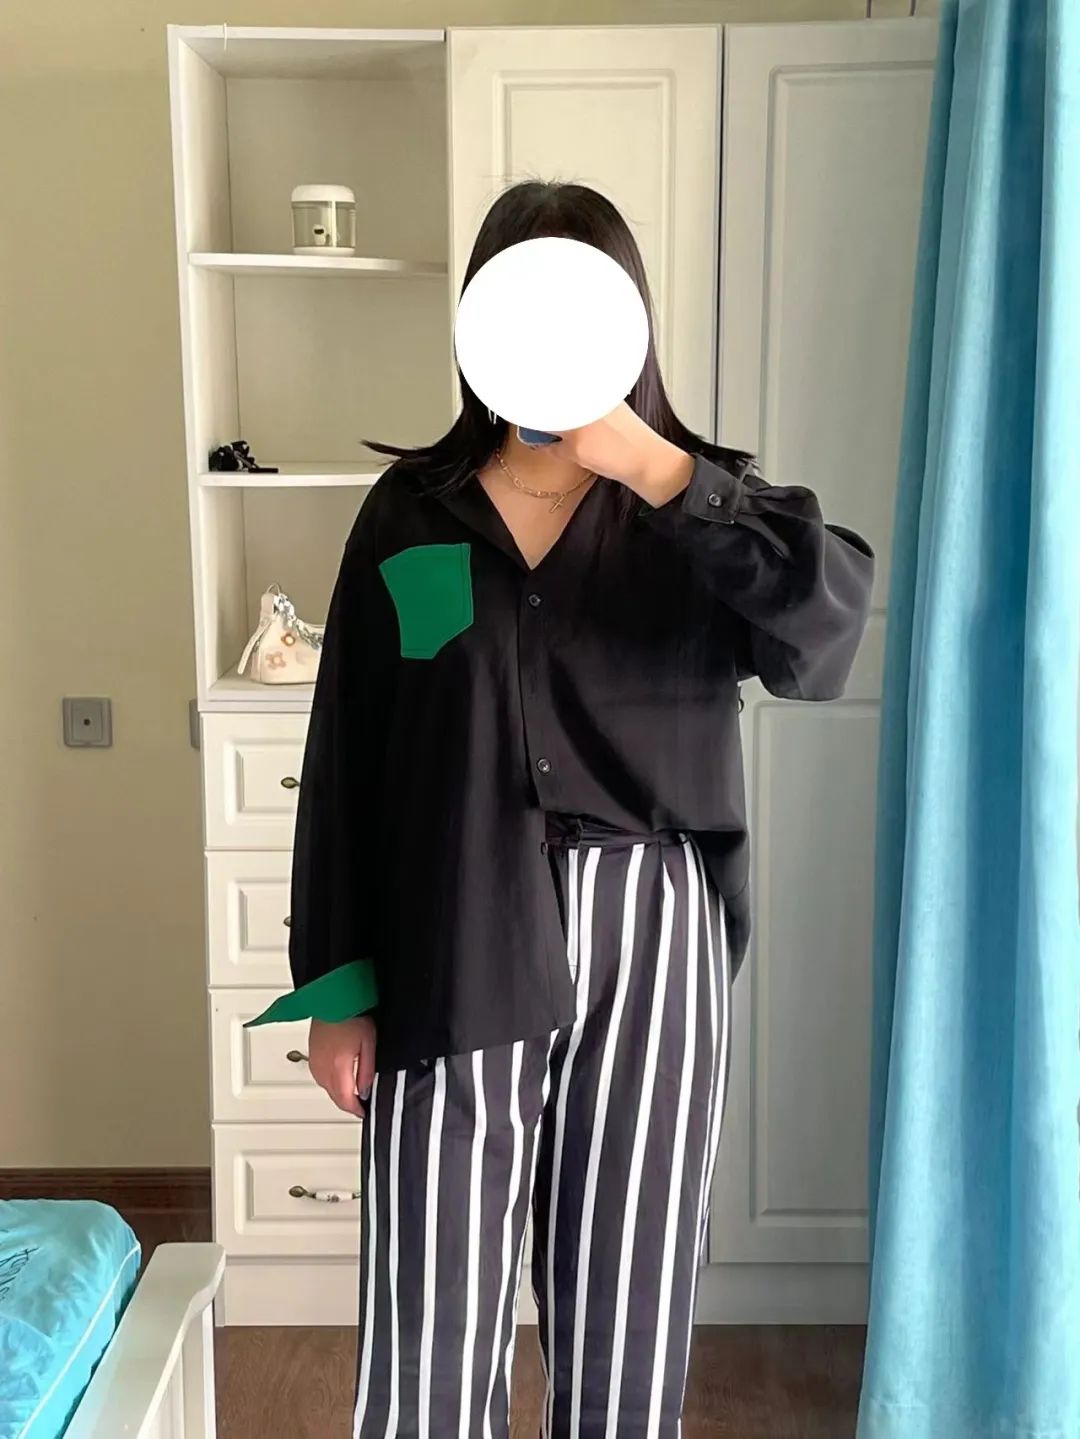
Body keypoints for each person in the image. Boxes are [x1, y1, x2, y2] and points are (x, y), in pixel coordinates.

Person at [246, 180, 874, 1438]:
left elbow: (827, 631)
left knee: (630, 1287)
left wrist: (654, 466)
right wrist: (337, 988)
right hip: (454, 910)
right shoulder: (411, 514)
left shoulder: (700, 508)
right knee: (432, 1286)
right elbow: (352, 751)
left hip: (655, 924)